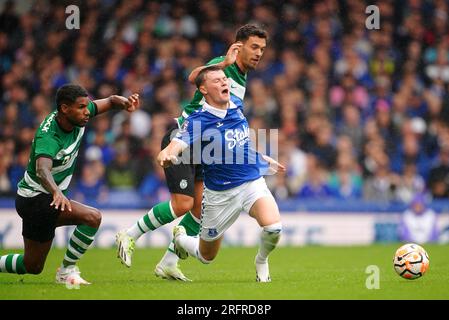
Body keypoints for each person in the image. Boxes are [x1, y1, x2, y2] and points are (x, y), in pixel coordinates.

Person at [116, 24, 268, 281]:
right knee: (183, 204)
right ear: (238, 46)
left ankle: (168, 263)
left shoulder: (241, 76)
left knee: (199, 211)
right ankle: (129, 235)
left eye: (262, 49)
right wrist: (223, 63)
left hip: (206, 148)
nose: (259, 53)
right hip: (184, 137)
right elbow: (193, 77)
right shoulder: (225, 64)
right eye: (254, 47)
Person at [0, 84, 140, 285]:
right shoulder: (49, 136)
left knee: (32, 266)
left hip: (41, 199)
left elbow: (109, 101)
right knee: (92, 218)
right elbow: (42, 169)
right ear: (65, 109)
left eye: (87, 106)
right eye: (82, 107)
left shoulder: (78, 115)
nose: (87, 112)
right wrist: (56, 192)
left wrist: (125, 102)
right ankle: (66, 272)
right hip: (36, 199)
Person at [157, 66, 284, 282]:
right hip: (219, 195)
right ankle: (180, 238)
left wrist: (261, 158)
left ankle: (261, 260)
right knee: (207, 257)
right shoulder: (198, 120)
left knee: (273, 228)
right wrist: (166, 153)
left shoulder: (237, 106)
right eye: (217, 81)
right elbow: (178, 142)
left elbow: (238, 143)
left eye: (225, 79)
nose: (224, 82)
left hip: (251, 182)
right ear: (203, 90)